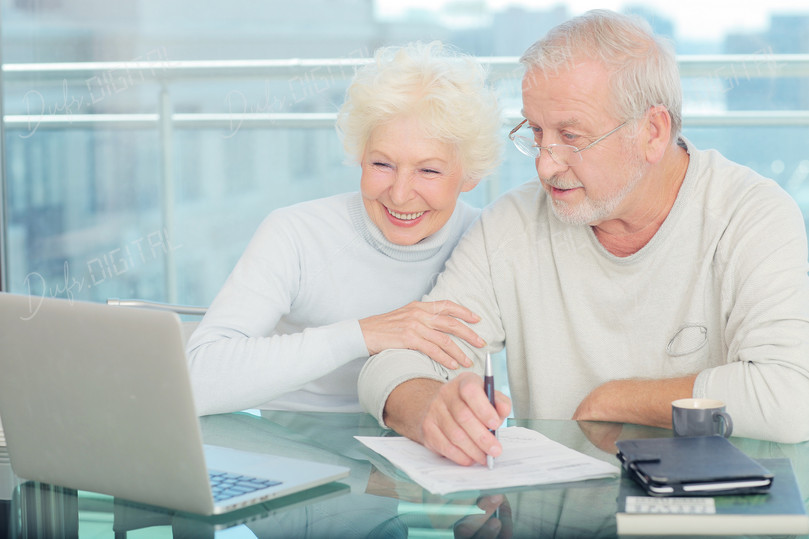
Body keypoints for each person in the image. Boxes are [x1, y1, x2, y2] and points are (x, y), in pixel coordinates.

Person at [358, 9, 809, 468]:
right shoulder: (512, 225)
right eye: (536, 132)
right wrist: (431, 408)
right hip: (552, 503)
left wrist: (616, 400)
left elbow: (791, 396)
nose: (545, 164)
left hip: (707, 504)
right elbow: (392, 367)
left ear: (652, 132)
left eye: (571, 136)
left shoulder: (751, 215)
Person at [186, 41, 501, 416]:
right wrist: (361, 334)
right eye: (382, 164)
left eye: (428, 170)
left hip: (427, 441)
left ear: (471, 174)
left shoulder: (485, 243)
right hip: (294, 441)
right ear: (360, 156)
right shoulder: (295, 233)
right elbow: (197, 380)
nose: (400, 194)